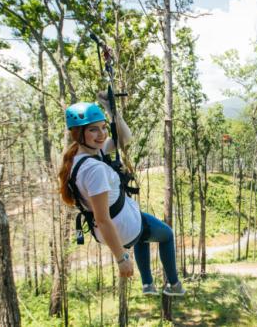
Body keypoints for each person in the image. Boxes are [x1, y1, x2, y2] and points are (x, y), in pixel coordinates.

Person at [58, 93, 185, 296]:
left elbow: (124, 139)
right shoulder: (94, 169)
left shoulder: (83, 156)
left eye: (103, 127)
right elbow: (102, 218)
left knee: (143, 236)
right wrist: (121, 258)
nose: (101, 134)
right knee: (166, 235)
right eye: (93, 129)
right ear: (77, 133)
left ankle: (148, 284)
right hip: (121, 227)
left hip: (115, 228)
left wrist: (112, 111)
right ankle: (174, 285)